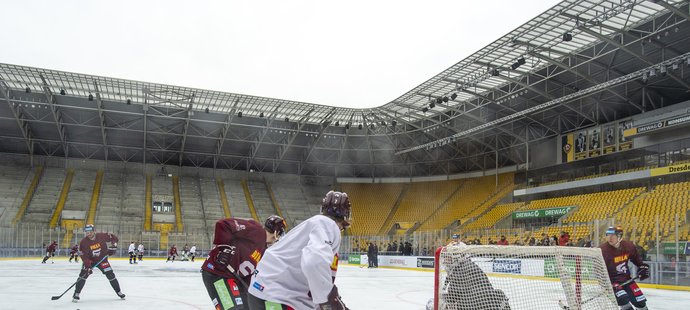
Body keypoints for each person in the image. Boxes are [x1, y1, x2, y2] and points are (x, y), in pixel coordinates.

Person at [248, 191, 352, 310]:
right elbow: (314, 262)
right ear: (346, 215)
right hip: (277, 297)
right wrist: (328, 301)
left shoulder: (313, 225)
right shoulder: (329, 225)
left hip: (263, 291)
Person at [201, 215, 286, 310]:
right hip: (217, 274)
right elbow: (223, 224)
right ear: (276, 232)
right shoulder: (256, 230)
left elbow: (249, 275)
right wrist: (224, 248)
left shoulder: (263, 249)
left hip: (232, 279)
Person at [600, 226, 649, 310]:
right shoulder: (602, 250)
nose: (610, 238)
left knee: (640, 303)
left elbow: (637, 260)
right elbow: (598, 271)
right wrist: (607, 284)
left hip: (627, 279)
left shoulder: (628, 246)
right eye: (608, 235)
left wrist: (642, 268)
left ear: (619, 236)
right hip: (612, 282)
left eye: (613, 236)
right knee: (623, 300)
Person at [72, 224, 125, 302]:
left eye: (90, 232)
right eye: (87, 232)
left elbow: (114, 238)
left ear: (94, 231)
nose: (88, 234)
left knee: (110, 275)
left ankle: (119, 292)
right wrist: (88, 267)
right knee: (83, 275)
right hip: (90, 261)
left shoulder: (102, 236)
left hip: (102, 260)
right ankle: (76, 294)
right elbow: (84, 257)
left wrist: (114, 245)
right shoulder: (83, 242)